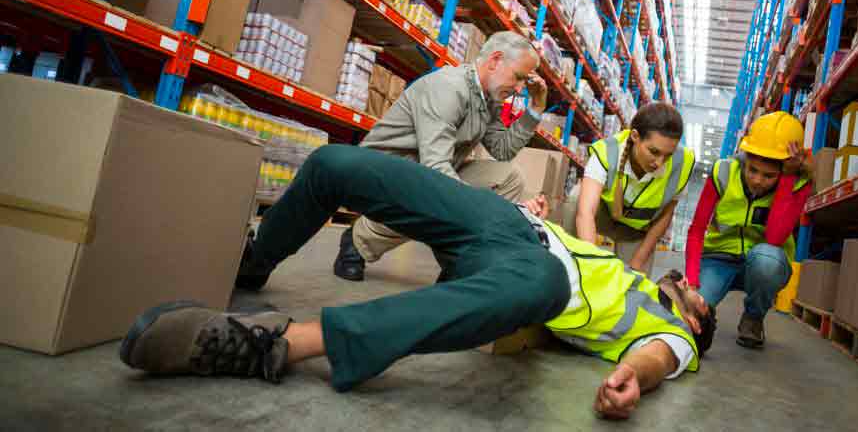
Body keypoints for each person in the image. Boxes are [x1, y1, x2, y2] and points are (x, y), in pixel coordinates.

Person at [119, 144, 716, 420]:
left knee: (536, 285)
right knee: (336, 165)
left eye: (698, 297)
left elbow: (657, 359)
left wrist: (630, 380)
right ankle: (251, 267)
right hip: (509, 225)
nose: (691, 284)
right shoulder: (631, 272)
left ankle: (272, 345)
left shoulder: (671, 332)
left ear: (696, 320)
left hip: (532, 277)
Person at [325, 31, 547, 284]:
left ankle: (464, 260)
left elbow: (503, 151)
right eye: (518, 78)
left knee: (509, 177)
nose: (520, 89)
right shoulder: (449, 88)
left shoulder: (489, 99)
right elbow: (435, 168)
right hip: (382, 174)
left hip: (428, 171)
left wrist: (536, 109)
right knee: (443, 197)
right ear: (495, 60)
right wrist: (486, 208)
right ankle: (359, 240)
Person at [684, 111, 812, 349]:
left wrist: (787, 180)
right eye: (752, 170)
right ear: (745, 157)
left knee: (766, 260)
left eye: (769, 175)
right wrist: (692, 283)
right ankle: (707, 302)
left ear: (785, 169)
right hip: (718, 259)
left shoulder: (798, 183)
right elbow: (696, 230)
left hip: (764, 263)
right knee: (696, 310)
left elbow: (774, 237)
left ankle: (753, 317)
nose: (757, 181)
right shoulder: (723, 172)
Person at [566, 102, 695, 273]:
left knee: (633, 287)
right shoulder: (607, 152)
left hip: (637, 232)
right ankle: (568, 263)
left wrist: (636, 265)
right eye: (654, 152)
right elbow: (585, 213)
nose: (659, 162)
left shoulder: (682, 164)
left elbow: (665, 217)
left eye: (668, 155)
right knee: (576, 197)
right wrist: (591, 263)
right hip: (603, 217)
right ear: (635, 136)